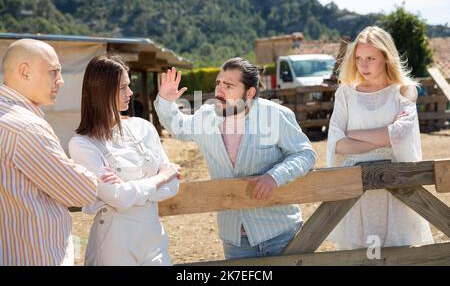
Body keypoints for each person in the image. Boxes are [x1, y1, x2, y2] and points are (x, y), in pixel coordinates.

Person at [154, 57, 316, 260]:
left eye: (229, 86)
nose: (219, 91)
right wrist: (166, 102)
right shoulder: (206, 117)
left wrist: (275, 176)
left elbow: (304, 154)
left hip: (280, 232)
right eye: (218, 83)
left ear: (249, 93)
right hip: (235, 241)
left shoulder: (275, 115)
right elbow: (178, 128)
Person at [327, 26, 434, 250]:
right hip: (356, 188)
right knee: (357, 257)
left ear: (386, 57)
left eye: (370, 58)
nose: (363, 65)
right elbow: (337, 144)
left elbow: (400, 134)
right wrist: (384, 137)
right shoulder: (345, 93)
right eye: (358, 58)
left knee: (398, 256)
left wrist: (353, 134)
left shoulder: (404, 91)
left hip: (396, 185)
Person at [68, 55, 180, 266]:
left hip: (154, 238)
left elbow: (173, 185)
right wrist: (160, 178)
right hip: (114, 243)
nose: (130, 93)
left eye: (129, 86)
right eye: (122, 88)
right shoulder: (82, 144)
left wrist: (129, 191)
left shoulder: (143, 128)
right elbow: (117, 197)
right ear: (101, 91)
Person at [0, 39, 98, 265]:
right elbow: (80, 191)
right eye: (54, 72)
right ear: (25, 72)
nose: (60, 81)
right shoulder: (26, 128)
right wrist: (90, 174)